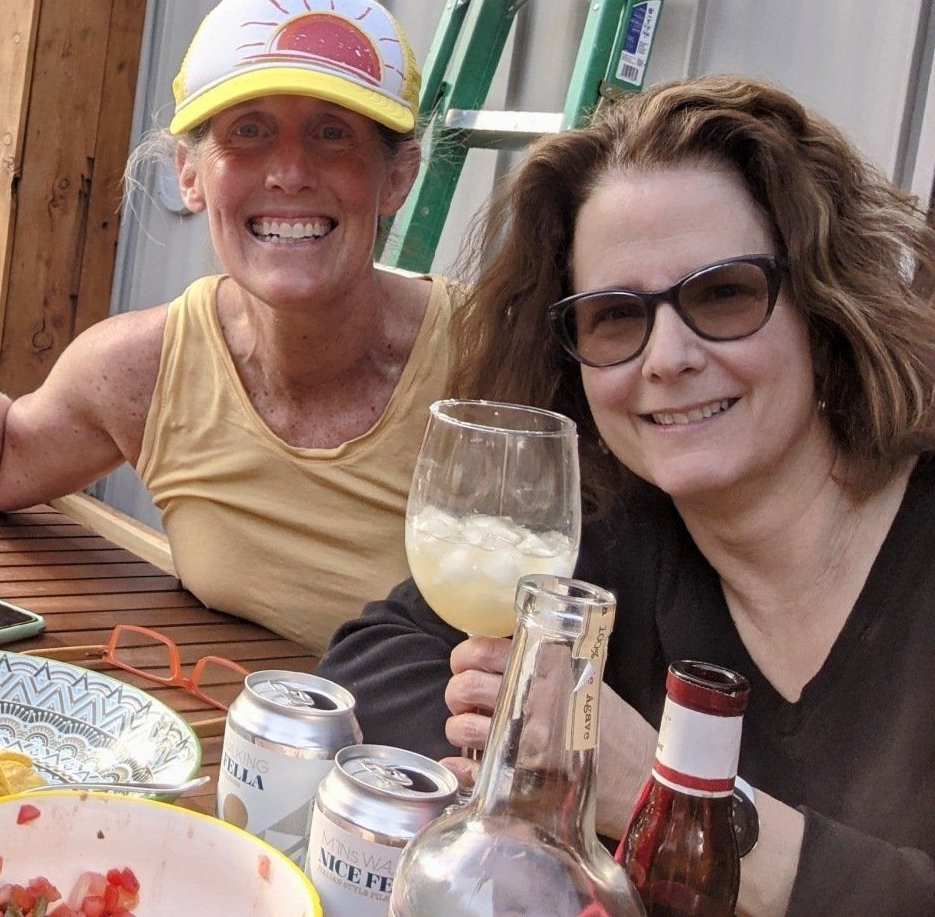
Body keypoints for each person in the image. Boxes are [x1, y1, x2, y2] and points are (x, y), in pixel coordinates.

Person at [319, 75, 935, 917]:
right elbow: (378, 657)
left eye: (724, 293)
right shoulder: (615, 536)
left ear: (823, 306)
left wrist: (664, 793)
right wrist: (520, 775)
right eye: (615, 316)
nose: (667, 356)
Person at [0, 0, 453, 653]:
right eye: (248, 132)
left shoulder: (497, 357)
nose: (290, 172)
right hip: (226, 732)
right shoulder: (149, 365)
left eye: (333, 135)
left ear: (397, 177)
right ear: (190, 175)